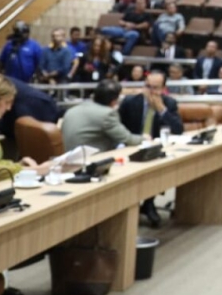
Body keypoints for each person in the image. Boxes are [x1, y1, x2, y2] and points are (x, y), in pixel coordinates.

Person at [118, 71, 182, 226]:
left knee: (161, 166)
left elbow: (178, 129)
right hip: (132, 146)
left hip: (157, 149)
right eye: (148, 86)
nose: (151, 91)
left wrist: (161, 110)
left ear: (163, 88)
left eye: (155, 88)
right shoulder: (130, 101)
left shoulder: (169, 103)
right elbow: (119, 127)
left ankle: (149, 202)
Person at [60, 79, 143, 152]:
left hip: (69, 157)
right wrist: (145, 138)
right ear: (114, 101)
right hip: (91, 161)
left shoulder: (74, 109)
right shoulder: (107, 114)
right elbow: (128, 139)